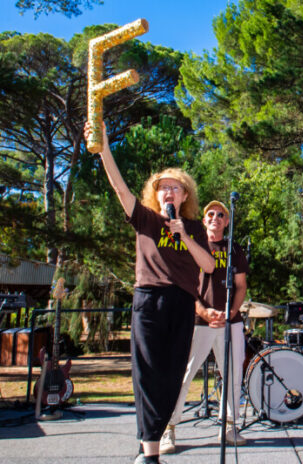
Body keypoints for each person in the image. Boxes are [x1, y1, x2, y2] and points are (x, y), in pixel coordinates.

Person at [84, 122, 215, 464]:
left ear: (185, 195)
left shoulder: (196, 228)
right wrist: (105, 150)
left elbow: (210, 266)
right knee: (147, 374)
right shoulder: (145, 219)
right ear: (155, 194)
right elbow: (120, 189)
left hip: (182, 303)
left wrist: (184, 235)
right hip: (148, 301)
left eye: (175, 188)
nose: (168, 192)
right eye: (163, 188)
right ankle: (149, 453)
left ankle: (150, 440)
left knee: (172, 375)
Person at [160, 200, 249, 454]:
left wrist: (231, 312)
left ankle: (230, 426)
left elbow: (241, 286)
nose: (216, 217)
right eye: (211, 214)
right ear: (204, 220)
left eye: (221, 214)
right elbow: (187, 285)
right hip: (199, 321)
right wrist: (203, 310)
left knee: (232, 374)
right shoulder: (193, 245)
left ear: (227, 221)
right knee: (184, 375)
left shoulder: (235, 249)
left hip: (229, 322)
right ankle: (169, 428)